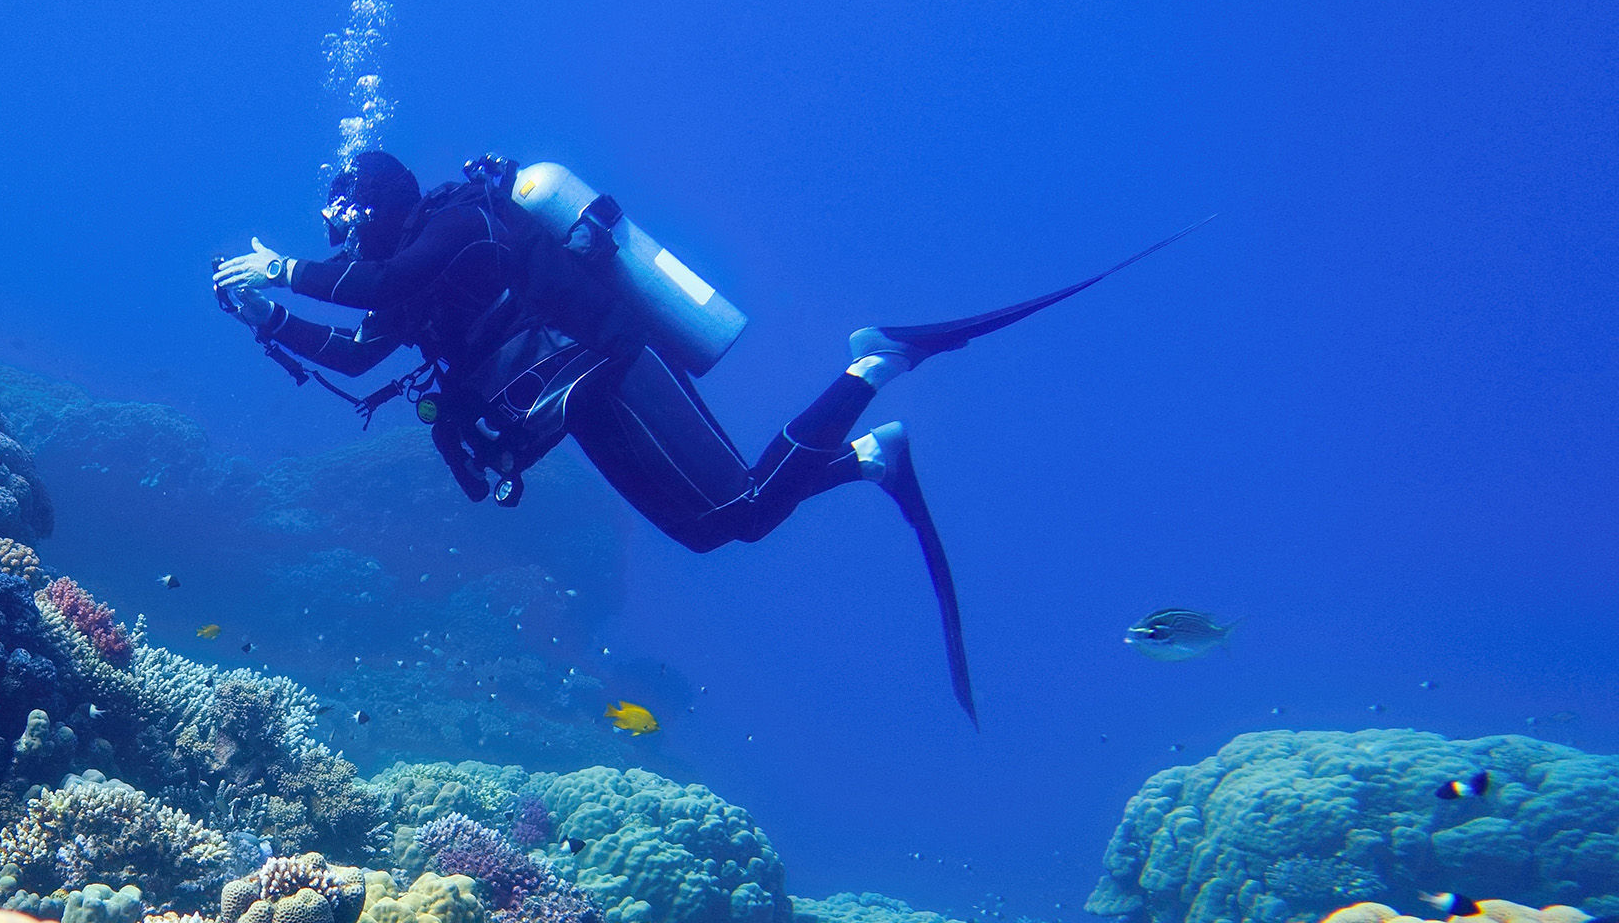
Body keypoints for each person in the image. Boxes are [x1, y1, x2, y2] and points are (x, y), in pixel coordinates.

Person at [215, 151, 1188, 722]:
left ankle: (875, 362)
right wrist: (270, 318)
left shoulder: (459, 223)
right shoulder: (416, 275)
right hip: (575, 404)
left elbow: (376, 284)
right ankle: (869, 456)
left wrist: (282, 269)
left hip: (612, 369)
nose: (344, 238)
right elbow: (358, 355)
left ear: (380, 204)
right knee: (715, 529)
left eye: (348, 221)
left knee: (742, 508)